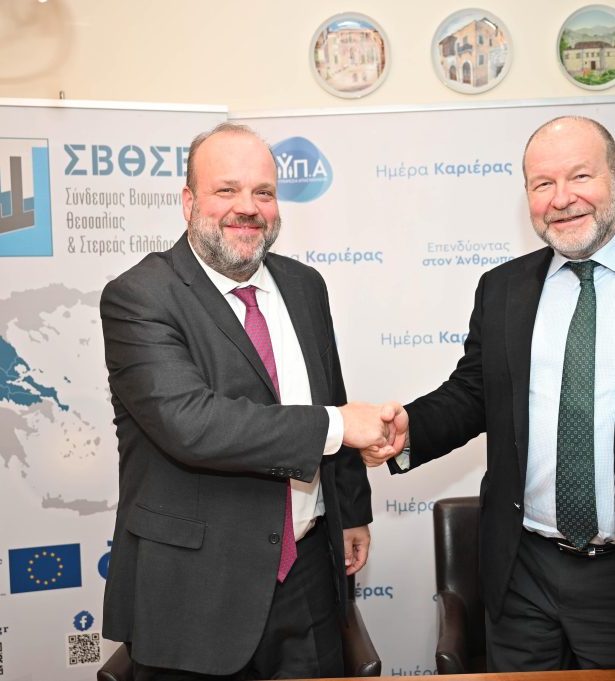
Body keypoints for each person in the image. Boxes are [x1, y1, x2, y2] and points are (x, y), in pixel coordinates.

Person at [362, 116, 615, 670]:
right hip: (521, 571)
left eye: (580, 176)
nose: (561, 199)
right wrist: (409, 428)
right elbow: (475, 393)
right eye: (543, 184)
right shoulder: (502, 288)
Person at [101, 122, 402, 680]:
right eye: (227, 190)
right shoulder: (140, 296)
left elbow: (328, 393)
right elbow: (191, 424)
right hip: (195, 590)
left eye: (263, 192)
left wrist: (352, 511)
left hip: (307, 574)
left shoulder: (305, 286)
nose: (248, 207)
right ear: (189, 201)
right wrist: (340, 426)